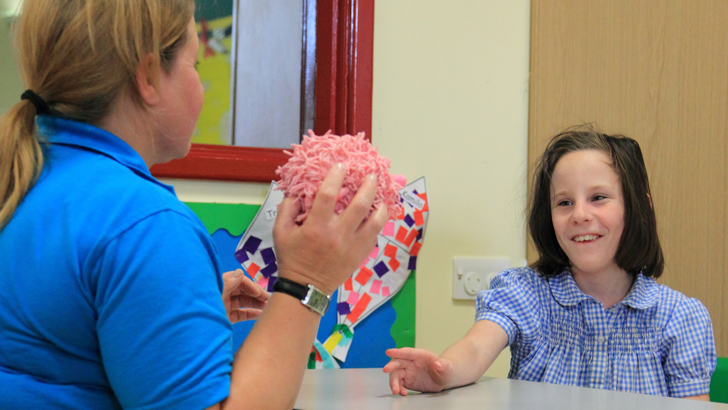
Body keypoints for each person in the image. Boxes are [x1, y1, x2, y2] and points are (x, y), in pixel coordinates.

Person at [0, 1, 387, 409]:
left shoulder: (24, 181)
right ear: (148, 77)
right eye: (196, 66)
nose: (201, 86)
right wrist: (307, 281)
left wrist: (165, 309)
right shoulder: (144, 223)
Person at [384, 125, 716, 400]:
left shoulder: (680, 319)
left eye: (598, 197)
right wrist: (444, 372)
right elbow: (474, 349)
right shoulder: (524, 293)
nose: (580, 215)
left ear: (638, 207)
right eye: (564, 202)